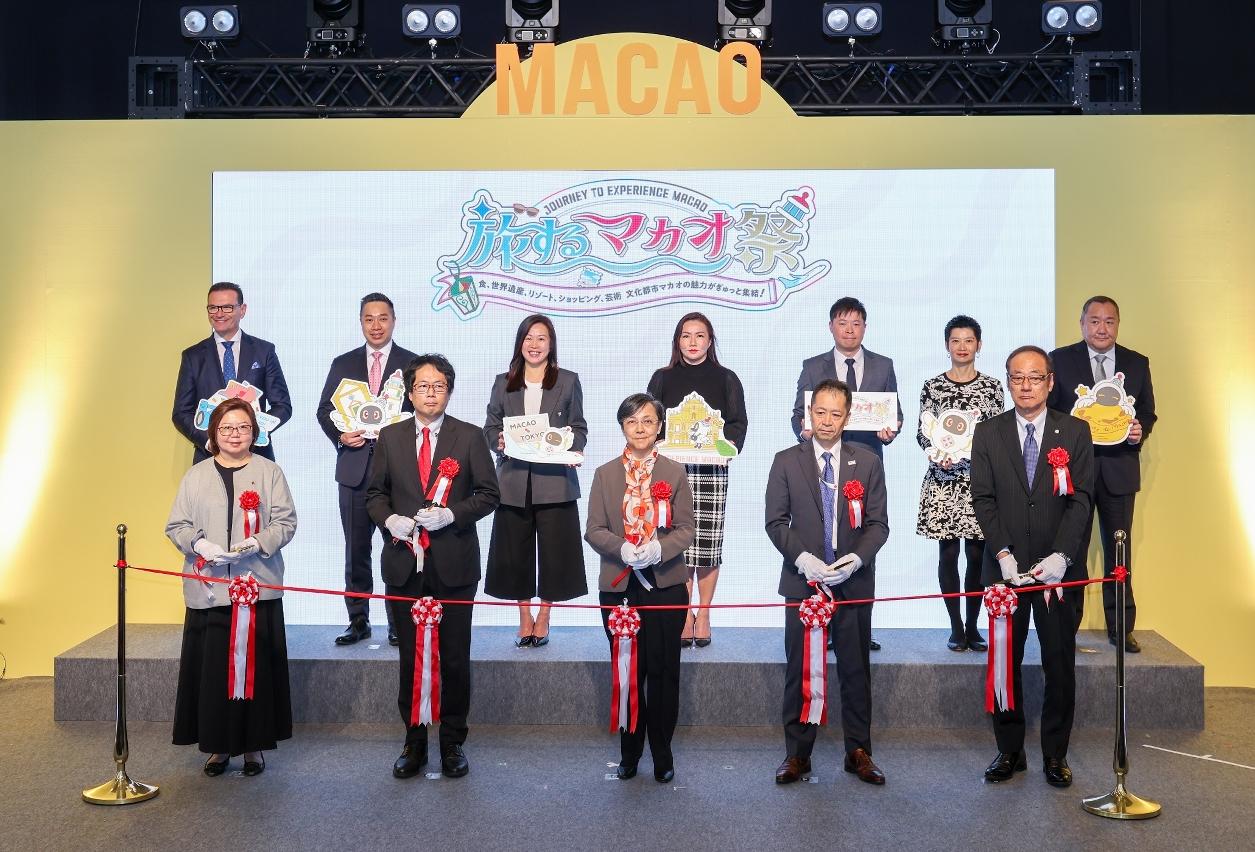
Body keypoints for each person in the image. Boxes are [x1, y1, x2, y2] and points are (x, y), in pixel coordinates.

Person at [366, 354, 500, 780]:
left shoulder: (469, 436)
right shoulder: (390, 436)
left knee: (454, 657)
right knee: (411, 656)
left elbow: (489, 494)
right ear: (410, 393)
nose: (430, 393)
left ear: (449, 391)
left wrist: (453, 514)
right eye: (423, 386)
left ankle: (453, 741)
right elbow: (374, 495)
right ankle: (414, 741)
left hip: (454, 563)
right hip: (404, 563)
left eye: (438, 385)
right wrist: (390, 520)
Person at [970, 346, 1093, 788]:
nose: (1026, 385)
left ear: (1050, 381)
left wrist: (1062, 557)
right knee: (1006, 660)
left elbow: (1081, 500)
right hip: (1005, 571)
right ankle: (1009, 750)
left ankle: (1056, 754)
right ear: (1008, 382)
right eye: (1017, 377)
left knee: (1058, 663)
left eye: (1035, 377)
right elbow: (983, 498)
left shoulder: (1075, 431)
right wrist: (1002, 554)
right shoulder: (988, 432)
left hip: (1057, 572)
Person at [165, 397, 298, 778]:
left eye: (243, 427)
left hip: (256, 588)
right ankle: (217, 747)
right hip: (210, 592)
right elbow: (176, 526)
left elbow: (286, 522)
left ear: (254, 432)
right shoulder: (196, 476)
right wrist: (199, 544)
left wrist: (258, 542)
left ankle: (254, 747)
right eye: (226, 428)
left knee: (256, 672)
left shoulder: (270, 472)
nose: (235, 435)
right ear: (214, 433)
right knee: (213, 674)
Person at [767, 379, 889, 786]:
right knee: (799, 670)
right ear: (809, 412)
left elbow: (878, 524)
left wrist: (855, 560)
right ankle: (797, 753)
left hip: (853, 583)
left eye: (836, 414)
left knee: (855, 669)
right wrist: (804, 560)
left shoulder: (867, 462)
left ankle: (858, 752)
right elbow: (775, 522)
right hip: (803, 583)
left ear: (847, 417)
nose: (827, 420)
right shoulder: (786, 461)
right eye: (820, 412)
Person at [585, 393, 695, 784]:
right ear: (622, 427)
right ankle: (629, 753)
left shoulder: (674, 472)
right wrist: (623, 549)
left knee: (664, 672)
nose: (640, 428)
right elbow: (593, 529)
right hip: (619, 587)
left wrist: (658, 549)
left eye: (648, 421)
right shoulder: (605, 474)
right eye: (632, 421)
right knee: (628, 671)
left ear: (659, 426)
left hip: (665, 585)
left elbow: (686, 529)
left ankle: (663, 753)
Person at [791, 297, 901, 651]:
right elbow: (798, 414)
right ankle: (821, 624)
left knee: (863, 542)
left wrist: (891, 429)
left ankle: (859, 629)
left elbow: (895, 413)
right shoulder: (813, 366)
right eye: (842, 323)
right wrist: (804, 430)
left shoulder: (884, 365)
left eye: (856, 323)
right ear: (831, 327)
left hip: (865, 467)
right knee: (822, 539)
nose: (849, 330)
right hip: (821, 465)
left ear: (865, 327)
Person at [1047, 296, 1156, 652]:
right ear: (1082, 324)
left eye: (1109, 321)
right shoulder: (1059, 360)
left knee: (1118, 552)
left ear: (1118, 324)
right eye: (1094, 321)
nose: (1102, 328)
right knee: (1071, 552)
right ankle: (1066, 627)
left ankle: (1121, 628)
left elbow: (1148, 412)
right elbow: (1048, 411)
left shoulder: (1137, 363)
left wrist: (1140, 430)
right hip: (1071, 473)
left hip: (1119, 471)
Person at [316, 293, 419, 648]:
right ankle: (358, 620)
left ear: (394, 321)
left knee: (398, 548)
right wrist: (341, 436)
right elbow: (324, 411)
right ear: (361, 322)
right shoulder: (343, 363)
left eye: (383, 318)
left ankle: (398, 622)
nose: (376, 325)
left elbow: (423, 412)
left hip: (398, 474)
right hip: (355, 471)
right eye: (369, 319)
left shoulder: (412, 363)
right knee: (356, 550)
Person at [484, 315, 588, 647]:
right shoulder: (503, 382)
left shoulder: (568, 381)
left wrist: (569, 444)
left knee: (556, 554)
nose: (534, 344)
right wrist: (499, 440)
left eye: (541, 338)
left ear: (551, 344)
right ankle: (524, 616)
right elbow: (490, 426)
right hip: (513, 480)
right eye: (528, 337)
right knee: (515, 554)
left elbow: (580, 428)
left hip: (555, 481)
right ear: (520, 343)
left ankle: (544, 616)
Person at [646, 312, 747, 648]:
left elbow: (737, 424)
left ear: (709, 341)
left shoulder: (727, 378)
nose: (692, 342)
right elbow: (649, 420)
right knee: (677, 546)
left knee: (707, 546)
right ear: (678, 341)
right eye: (686, 335)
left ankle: (703, 614)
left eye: (699, 335)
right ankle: (684, 613)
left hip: (710, 472)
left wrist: (723, 446)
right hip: (670, 474)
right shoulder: (662, 378)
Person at [915, 315, 1005, 652]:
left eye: (968, 341)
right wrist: (936, 453)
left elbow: (998, 432)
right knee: (948, 554)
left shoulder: (992, 387)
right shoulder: (932, 386)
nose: (962, 347)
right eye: (956, 341)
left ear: (979, 345)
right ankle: (955, 627)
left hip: (980, 482)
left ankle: (973, 625)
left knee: (977, 556)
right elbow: (923, 432)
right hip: (943, 482)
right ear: (947, 345)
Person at [172, 281, 292, 464]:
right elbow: (181, 413)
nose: (219, 314)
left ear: (242, 310)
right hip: (209, 458)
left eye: (227, 307)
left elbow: (282, 406)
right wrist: (209, 441)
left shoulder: (264, 351)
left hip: (256, 456)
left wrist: (252, 432)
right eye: (213, 308)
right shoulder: (192, 356)